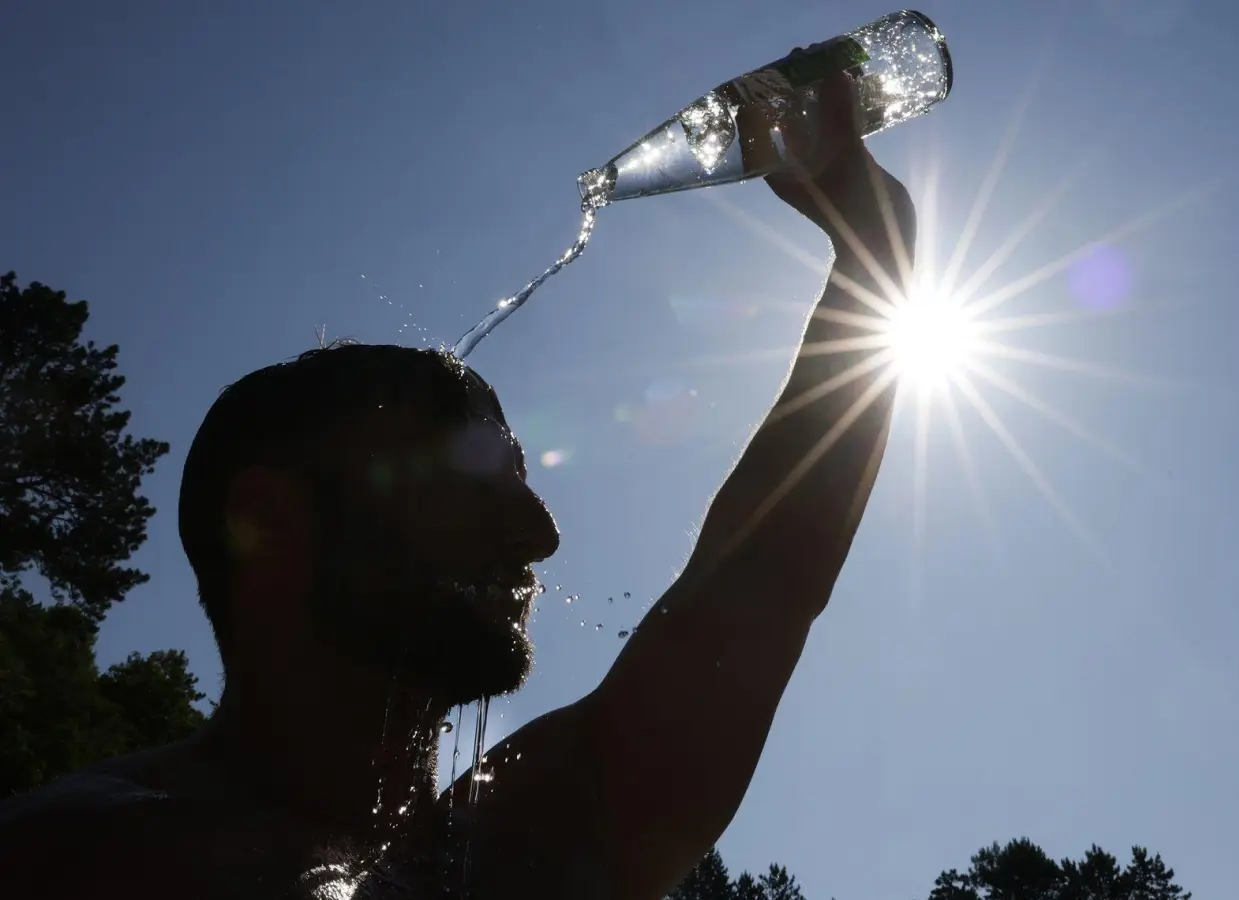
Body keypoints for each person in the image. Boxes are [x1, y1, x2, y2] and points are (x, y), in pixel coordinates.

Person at [0, 71, 915, 900]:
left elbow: (762, 581)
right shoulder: (85, 855)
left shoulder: (535, 838)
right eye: (469, 475)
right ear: (270, 523)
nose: (539, 532)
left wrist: (877, 255)